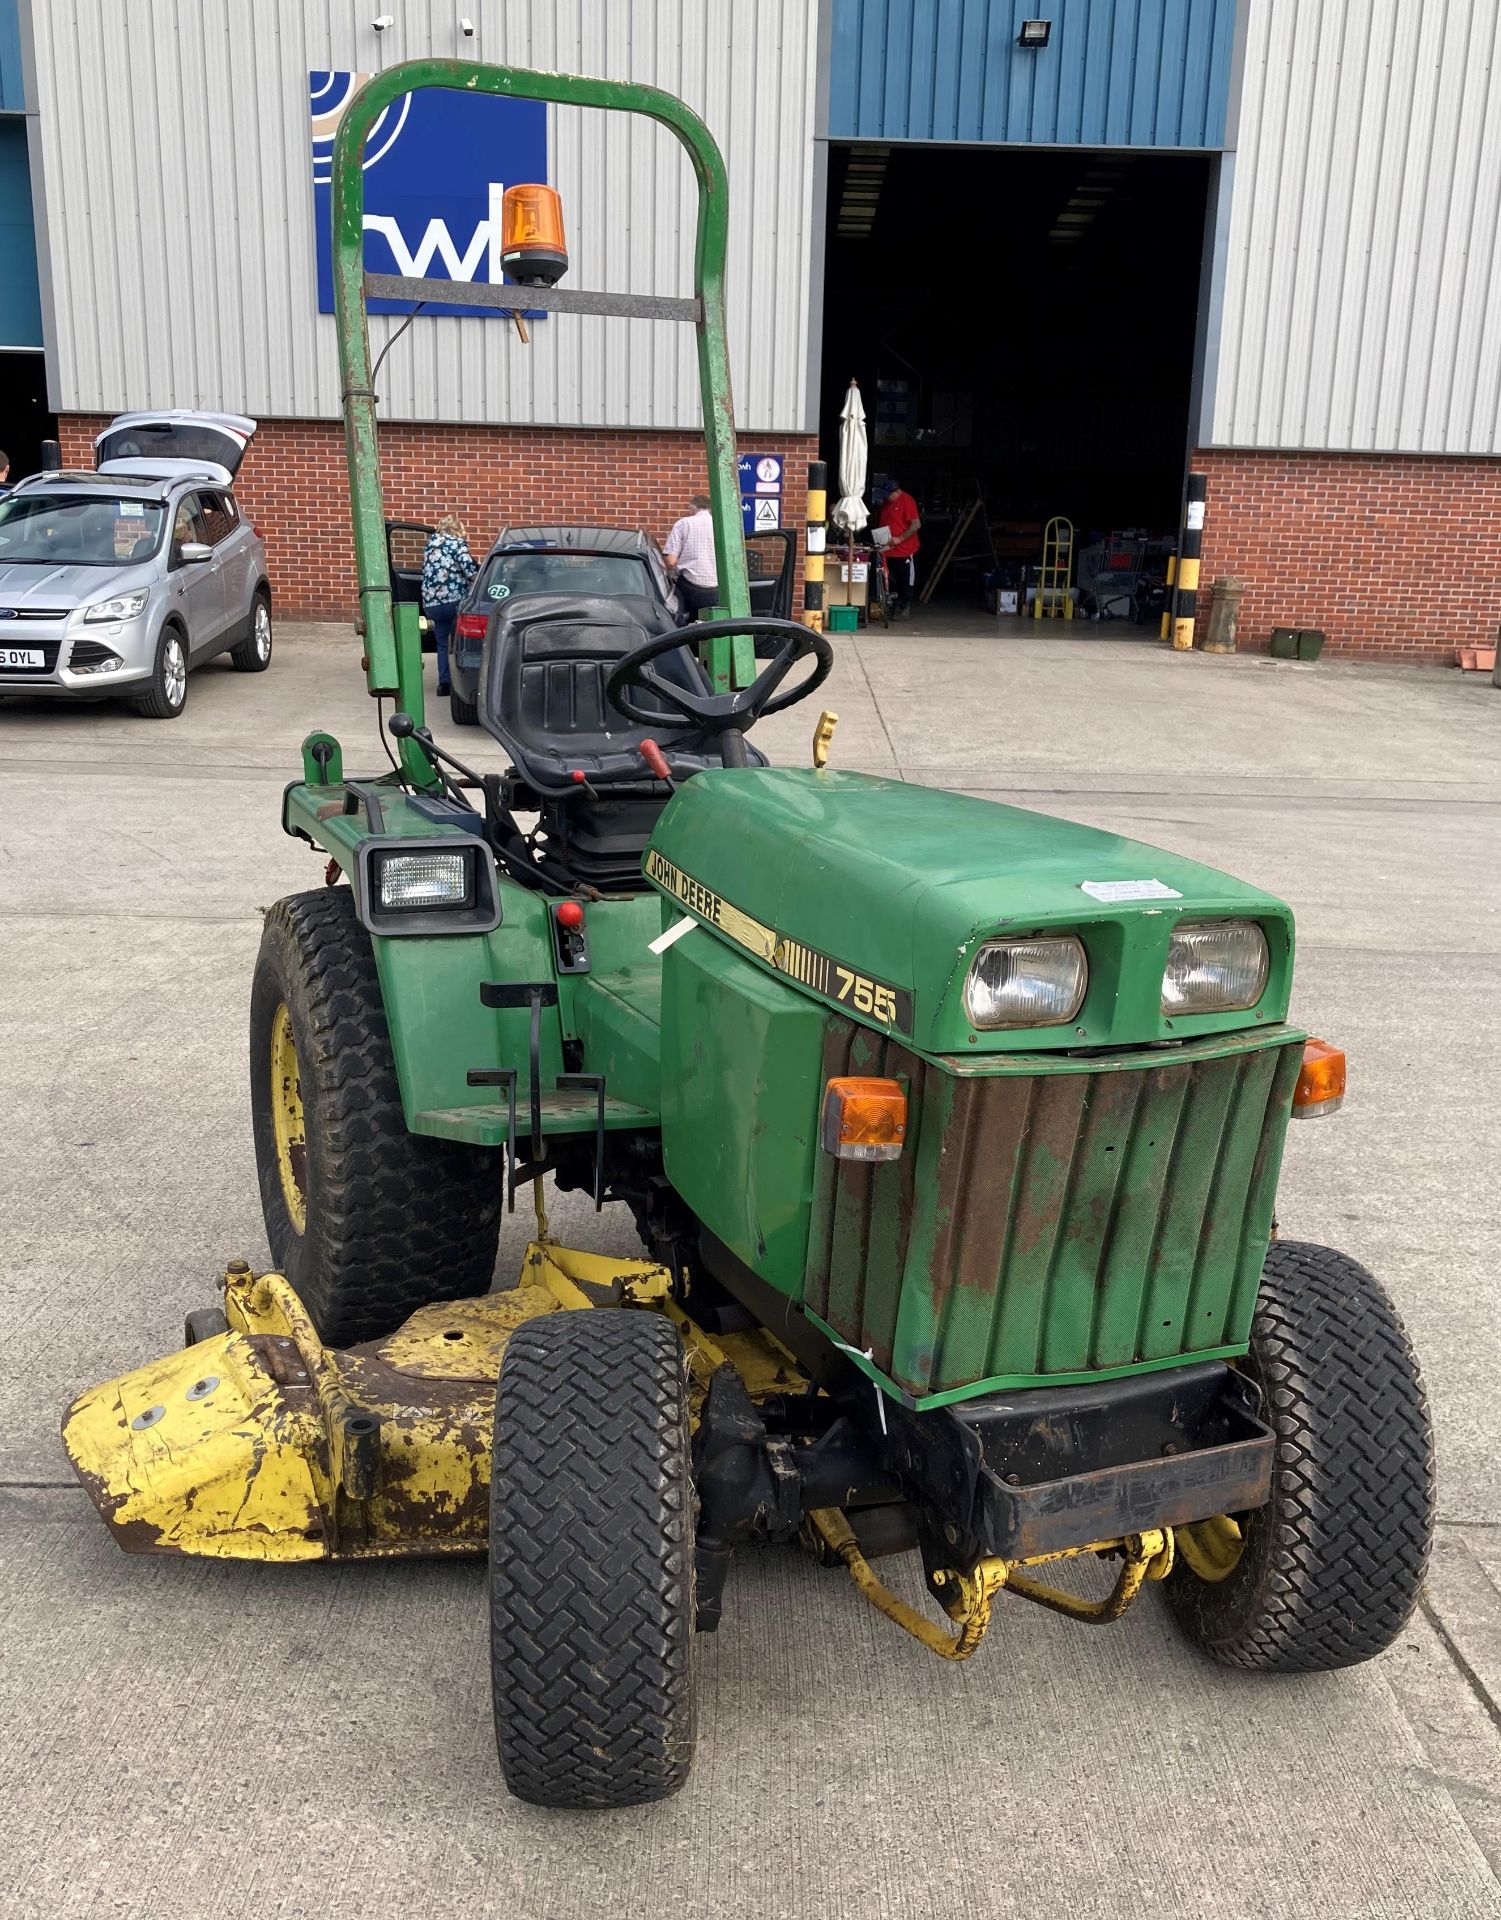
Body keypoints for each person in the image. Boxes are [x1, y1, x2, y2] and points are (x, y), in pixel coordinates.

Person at [421, 514, 476, 697]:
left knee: (443, 644)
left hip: (432, 604)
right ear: (457, 529)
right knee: (461, 642)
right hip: (454, 601)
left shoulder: (429, 546)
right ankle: (461, 683)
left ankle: (443, 684)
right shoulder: (457, 544)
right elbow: (470, 571)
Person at [663, 491, 719, 620]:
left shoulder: (683, 524)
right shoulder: (720, 525)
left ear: (693, 507)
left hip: (689, 587)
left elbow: (671, 561)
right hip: (716, 589)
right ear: (709, 508)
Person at [874, 477, 922, 620]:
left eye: (890, 494)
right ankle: (892, 607)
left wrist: (900, 538)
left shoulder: (907, 501)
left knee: (905, 581)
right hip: (888, 550)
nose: (888, 497)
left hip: (904, 550)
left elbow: (916, 524)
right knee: (891, 582)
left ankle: (904, 607)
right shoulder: (886, 503)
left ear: (897, 491)